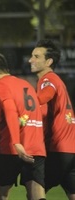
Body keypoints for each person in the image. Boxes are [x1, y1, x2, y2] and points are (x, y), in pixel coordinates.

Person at [0, 52, 46, 200]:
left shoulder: (1, 86)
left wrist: (16, 143)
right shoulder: (27, 85)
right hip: (36, 148)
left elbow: (11, 111)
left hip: (10, 149)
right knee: (36, 194)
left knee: (0, 193)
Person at [29, 39, 75, 200]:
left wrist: (27, 103)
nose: (30, 60)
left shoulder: (48, 80)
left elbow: (44, 96)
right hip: (70, 149)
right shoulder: (57, 80)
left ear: (48, 61)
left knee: (34, 188)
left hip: (58, 149)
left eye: (36, 56)